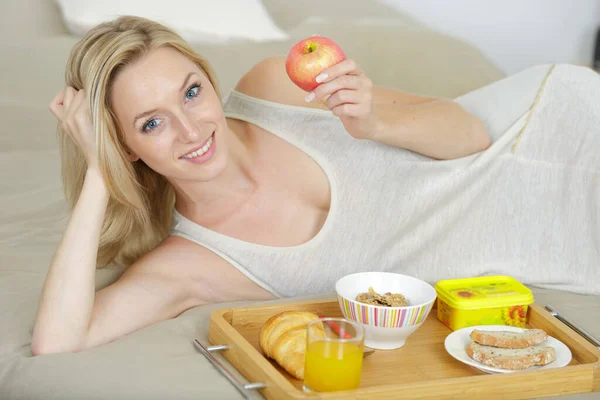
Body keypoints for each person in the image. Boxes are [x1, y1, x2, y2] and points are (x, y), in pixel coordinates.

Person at [32, 16, 600, 356]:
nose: (191, 128)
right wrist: (99, 175)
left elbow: (471, 132)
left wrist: (375, 121)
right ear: (125, 147)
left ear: (210, 78)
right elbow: (58, 342)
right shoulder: (190, 266)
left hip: (551, 129)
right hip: (544, 245)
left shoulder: (273, 85)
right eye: (150, 123)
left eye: (191, 92)